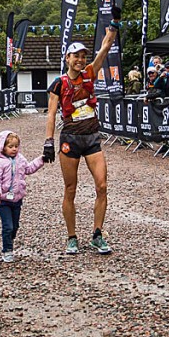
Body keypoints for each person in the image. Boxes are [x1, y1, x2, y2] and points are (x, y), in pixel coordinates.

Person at [45, 17, 119, 256]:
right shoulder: (59, 83)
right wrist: (48, 141)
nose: (80, 60)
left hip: (91, 137)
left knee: (102, 186)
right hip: (70, 139)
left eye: (83, 56)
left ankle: (97, 234)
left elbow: (106, 46)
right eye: (76, 56)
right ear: (67, 58)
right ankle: (72, 237)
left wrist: (114, 23)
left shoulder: (89, 73)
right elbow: (51, 112)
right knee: (70, 189)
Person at [0, 130, 45, 263]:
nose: (14, 149)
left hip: (17, 199)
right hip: (3, 200)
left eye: (16, 146)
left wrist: (41, 159)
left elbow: (29, 169)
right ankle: (7, 250)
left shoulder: (20, 159)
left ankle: (9, 237)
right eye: (10, 146)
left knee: (15, 226)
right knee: (7, 226)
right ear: (2, 147)